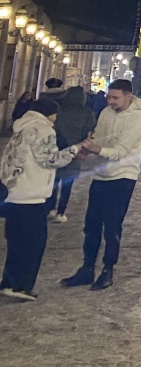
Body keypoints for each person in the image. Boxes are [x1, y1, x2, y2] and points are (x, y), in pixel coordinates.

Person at [62, 79, 141, 292]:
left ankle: (108, 269)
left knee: (112, 226)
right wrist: (86, 151)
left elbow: (121, 151)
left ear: (128, 96)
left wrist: (97, 149)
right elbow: (99, 138)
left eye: (115, 97)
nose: (110, 101)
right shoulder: (106, 113)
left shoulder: (137, 119)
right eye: (109, 97)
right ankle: (87, 268)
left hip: (123, 177)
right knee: (91, 224)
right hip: (101, 175)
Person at [0, 97, 83, 300]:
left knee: (16, 242)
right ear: (50, 113)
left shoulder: (21, 127)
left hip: (14, 193)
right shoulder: (42, 129)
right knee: (34, 243)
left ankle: (8, 282)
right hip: (32, 195)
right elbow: (50, 160)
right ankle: (22, 286)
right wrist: (75, 149)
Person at [49, 86, 97, 221]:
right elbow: (89, 133)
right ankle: (61, 213)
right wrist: (84, 150)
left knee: (53, 181)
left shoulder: (60, 111)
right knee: (67, 184)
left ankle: (51, 208)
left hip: (57, 149)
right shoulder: (87, 113)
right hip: (75, 151)